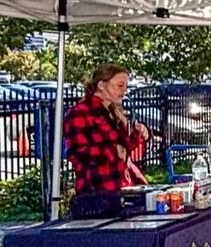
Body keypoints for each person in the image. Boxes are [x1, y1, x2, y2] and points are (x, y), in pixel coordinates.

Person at [63, 65, 149, 209]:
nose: (124, 91)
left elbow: (124, 150)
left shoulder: (113, 112)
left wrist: (138, 134)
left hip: (121, 188)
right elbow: (78, 153)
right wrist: (113, 151)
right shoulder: (80, 112)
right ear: (102, 85)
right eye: (120, 85)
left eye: (126, 85)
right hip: (96, 191)